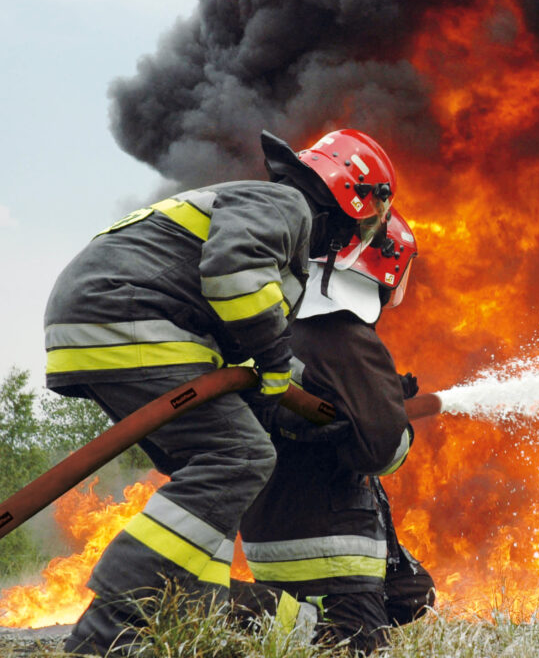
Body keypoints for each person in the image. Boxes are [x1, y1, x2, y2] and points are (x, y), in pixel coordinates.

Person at [44, 128, 399, 656]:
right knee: (240, 457)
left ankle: (181, 612)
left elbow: (239, 345)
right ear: (352, 195)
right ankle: (111, 626)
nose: (357, 236)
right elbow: (233, 278)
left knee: (211, 478)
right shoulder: (287, 206)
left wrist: (298, 402)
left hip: (103, 320)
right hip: (129, 314)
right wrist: (276, 364)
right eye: (367, 222)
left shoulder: (265, 212)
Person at [233, 209, 435, 653]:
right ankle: (228, 610)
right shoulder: (345, 334)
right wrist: (395, 419)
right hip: (328, 544)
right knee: (355, 645)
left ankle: (294, 620)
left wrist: (380, 396)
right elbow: (382, 451)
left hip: (271, 531)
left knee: (413, 593)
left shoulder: (280, 326)